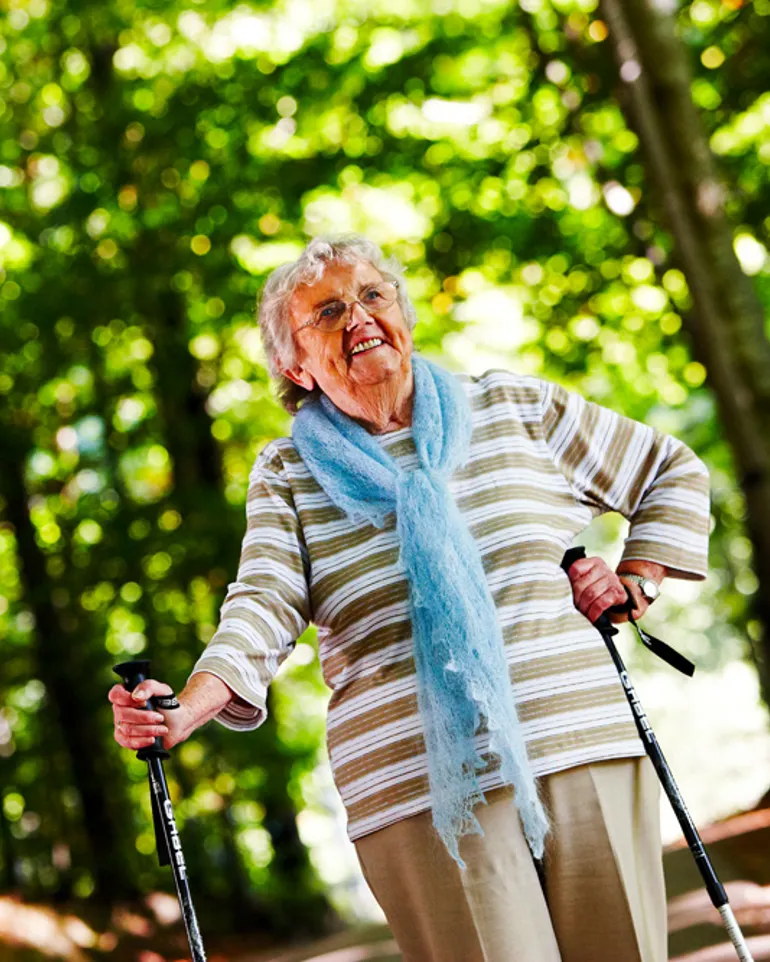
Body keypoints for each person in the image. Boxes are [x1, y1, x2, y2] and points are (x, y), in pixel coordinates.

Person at [109, 235, 710, 962]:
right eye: (326, 311)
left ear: (404, 313)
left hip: (578, 736)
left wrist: (636, 578)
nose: (357, 316)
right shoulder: (288, 474)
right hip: (420, 787)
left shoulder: (512, 405)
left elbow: (668, 470)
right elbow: (261, 603)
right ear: (291, 364)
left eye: (372, 295)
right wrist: (185, 711)